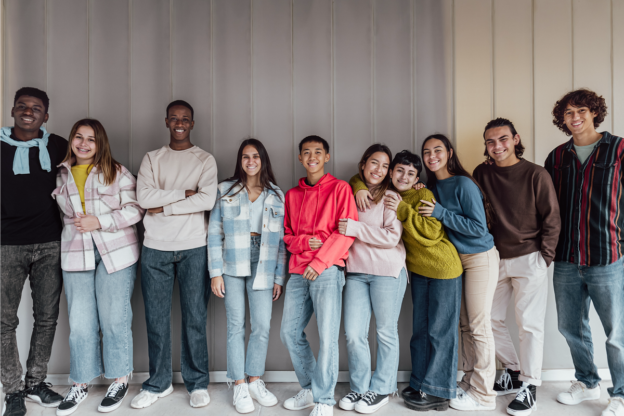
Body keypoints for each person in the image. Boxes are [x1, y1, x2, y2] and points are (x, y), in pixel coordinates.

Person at [351, 150, 463, 412]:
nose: (404, 176)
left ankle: (441, 393)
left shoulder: (421, 194)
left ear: (417, 179)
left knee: (440, 332)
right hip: (418, 270)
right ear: (391, 173)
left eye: (411, 173)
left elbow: (432, 232)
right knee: (421, 332)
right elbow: (361, 178)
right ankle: (419, 383)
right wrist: (358, 186)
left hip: (442, 266)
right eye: (399, 170)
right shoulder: (387, 189)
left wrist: (402, 209)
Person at [51, 119, 144, 415]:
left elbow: (136, 209)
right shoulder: (61, 175)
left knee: (114, 319)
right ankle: (80, 382)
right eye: (78, 137)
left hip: (115, 253)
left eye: (91, 139)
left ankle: (119, 378)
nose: (84, 143)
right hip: (76, 253)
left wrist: (100, 221)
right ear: (71, 140)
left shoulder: (116, 172)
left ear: (100, 143)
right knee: (79, 324)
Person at [132, 100, 218, 410]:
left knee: (195, 318)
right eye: (174, 118)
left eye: (185, 119)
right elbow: (144, 197)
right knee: (156, 319)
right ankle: (159, 383)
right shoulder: (152, 159)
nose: (179, 123)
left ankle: (197, 383)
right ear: (166, 122)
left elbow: (207, 200)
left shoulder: (204, 160)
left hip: (195, 247)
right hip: (155, 247)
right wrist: (185, 194)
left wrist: (163, 206)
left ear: (192, 123)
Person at [473, 118, 560, 416]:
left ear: (515, 139)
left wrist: (544, 257)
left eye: (503, 139)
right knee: (488, 320)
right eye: (490, 141)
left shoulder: (536, 174)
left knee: (529, 325)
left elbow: (552, 218)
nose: (497, 146)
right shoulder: (481, 173)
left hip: (530, 257)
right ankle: (512, 369)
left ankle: (529, 385)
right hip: (493, 256)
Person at [545, 89, 624, 416]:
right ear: (562, 120)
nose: (575, 117)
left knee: (616, 332)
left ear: (594, 113)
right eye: (568, 113)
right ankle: (587, 381)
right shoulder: (557, 157)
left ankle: (619, 393)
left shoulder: (619, 149)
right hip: (565, 258)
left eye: (581, 110)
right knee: (570, 327)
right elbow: (546, 208)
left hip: (606, 255)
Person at [419, 134, 499, 412]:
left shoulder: (463, 183)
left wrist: (441, 213)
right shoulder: (431, 187)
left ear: (449, 153)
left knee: (478, 326)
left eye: (437, 150)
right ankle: (468, 381)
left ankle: (485, 394)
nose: (432, 156)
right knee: (463, 325)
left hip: (479, 257)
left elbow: (479, 228)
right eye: (426, 152)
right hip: (455, 261)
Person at [280, 135, 358, 416]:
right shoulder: (291, 195)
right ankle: (311, 388)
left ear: (326, 157)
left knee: (327, 337)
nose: (312, 156)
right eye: (306, 152)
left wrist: (322, 260)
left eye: (318, 152)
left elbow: (347, 232)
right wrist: (304, 244)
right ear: (300, 159)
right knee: (289, 332)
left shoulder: (341, 189)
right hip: (299, 271)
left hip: (327, 269)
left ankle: (324, 400)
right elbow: (287, 237)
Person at [0, 87, 66, 416]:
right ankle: (12, 390)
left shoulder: (57, 146)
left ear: (46, 116)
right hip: (6, 245)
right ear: (13, 110)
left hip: (50, 244)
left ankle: (35, 382)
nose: (29, 111)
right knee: (3, 321)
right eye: (23, 106)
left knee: (47, 318)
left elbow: (92, 170)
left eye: (36, 108)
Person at [208, 139, 285, 414]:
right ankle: (238, 384)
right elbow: (214, 233)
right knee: (236, 324)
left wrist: (279, 277)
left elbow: (281, 242)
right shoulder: (225, 189)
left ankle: (254, 379)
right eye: (245, 157)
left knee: (262, 325)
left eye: (255, 156)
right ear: (239, 161)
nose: (250, 161)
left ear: (263, 160)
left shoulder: (276, 194)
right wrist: (215, 273)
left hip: (263, 261)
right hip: (232, 261)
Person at [336, 144, 407, 414]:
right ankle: (360, 387)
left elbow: (392, 237)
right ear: (363, 164)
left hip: (388, 272)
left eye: (385, 166)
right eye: (374, 163)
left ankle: (382, 389)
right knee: (354, 334)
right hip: (355, 272)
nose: (378, 169)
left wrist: (356, 228)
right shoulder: (350, 193)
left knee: (385, 332)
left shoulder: (390, 197)